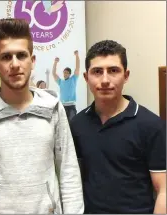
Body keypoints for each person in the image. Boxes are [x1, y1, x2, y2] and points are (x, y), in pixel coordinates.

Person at [0, 18, 84, 214]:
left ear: (32, 61)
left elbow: (68, 169)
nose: (15, 64)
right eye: (6, 57)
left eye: (21, 55)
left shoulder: (53, 108)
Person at [70, 40, 166, 214]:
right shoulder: (76, 125)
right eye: (97, 72)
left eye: (113, 71)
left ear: (126, 75)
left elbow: (163, 190)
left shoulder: (152, 125)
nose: (105, 80)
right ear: (86, 77)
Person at [52, 50, 80, 122]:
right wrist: (55, 62)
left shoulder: (73, 79)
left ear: (70, 74)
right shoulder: (61, 81)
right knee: (62, 124)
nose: (65, 74)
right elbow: (54, 74)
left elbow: (77, 68)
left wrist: (77, 55)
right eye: (64, 73)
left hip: (71, 106)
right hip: (62, 106)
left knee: (72, 123)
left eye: (67, 73)